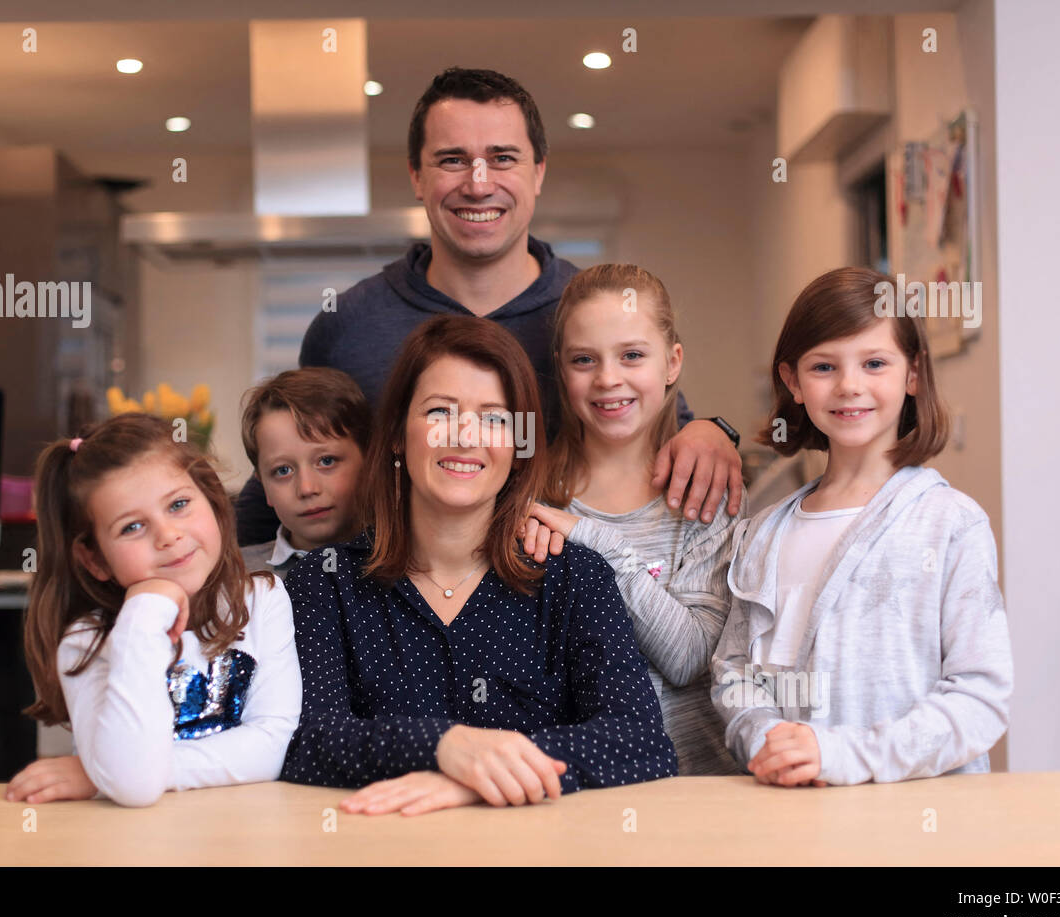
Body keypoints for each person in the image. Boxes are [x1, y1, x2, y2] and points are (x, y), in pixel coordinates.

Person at [235, 67, 743, 549]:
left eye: (502, 158)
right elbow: (288, 467)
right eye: (452, 160)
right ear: (416, 176)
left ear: (538, 172)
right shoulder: (346, 325)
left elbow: (663, 430)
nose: (478, 184)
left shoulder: (591, 313)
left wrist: (713, 432)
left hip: (558, 598)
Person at [280, 315, 677, 814]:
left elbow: (642, 741)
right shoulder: (324, 582)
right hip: (383, 844)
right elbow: (306, 740)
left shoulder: (576, 577)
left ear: (519, 446)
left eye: (494, 418)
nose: (466, 437)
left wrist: (480, 777)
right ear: (398, 433)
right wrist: (443, 746)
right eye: (440, 412)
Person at [710, 267, 1012, 787]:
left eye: (874, 363)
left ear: (913, 374)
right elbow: (732, 670)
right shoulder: (763, 533)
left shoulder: (951, 523)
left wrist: (842, 754)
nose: (849, 386)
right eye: (824, 366)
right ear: (792, 381)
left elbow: (979, 697)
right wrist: (766, 740)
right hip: (791, 808)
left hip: (919, 816)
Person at [6, 413, 302, 806]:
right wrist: (145, 612)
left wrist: (103, 775)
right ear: (95, 559)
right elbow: (133, 787)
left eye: (178, 504)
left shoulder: (262, 599)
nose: (168, 536)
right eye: (132, 527)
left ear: (212, 500)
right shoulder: (87, 641)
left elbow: (274, 746)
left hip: (247, 825)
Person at [526, 264, 745, 775]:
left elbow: (689, 657)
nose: (608, 378)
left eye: (632, 355)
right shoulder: (532, 500)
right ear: (561, 369)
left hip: (698, 788)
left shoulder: (704, 495)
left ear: (672, 362)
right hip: (579, 785)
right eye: (584, 359)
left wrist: (593, 540)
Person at [237, 367, 370, 578]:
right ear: (263, 486)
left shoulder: (413, 570)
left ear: (370, 462)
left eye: (326, 461)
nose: (307, 488)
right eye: (283, 470)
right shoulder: (233, 578)